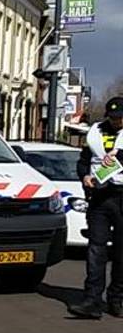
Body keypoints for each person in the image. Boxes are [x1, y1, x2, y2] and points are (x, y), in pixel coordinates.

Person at [68, 95, 123, 319]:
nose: (116, 122)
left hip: (122, 196)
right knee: (96, 249)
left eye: (120, 118)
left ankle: (116, 298)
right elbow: (83, 162)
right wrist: (85, 177)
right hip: (100, 197)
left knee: (121, 252)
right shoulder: (95, 134)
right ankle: (92, 300)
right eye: (113, 118)